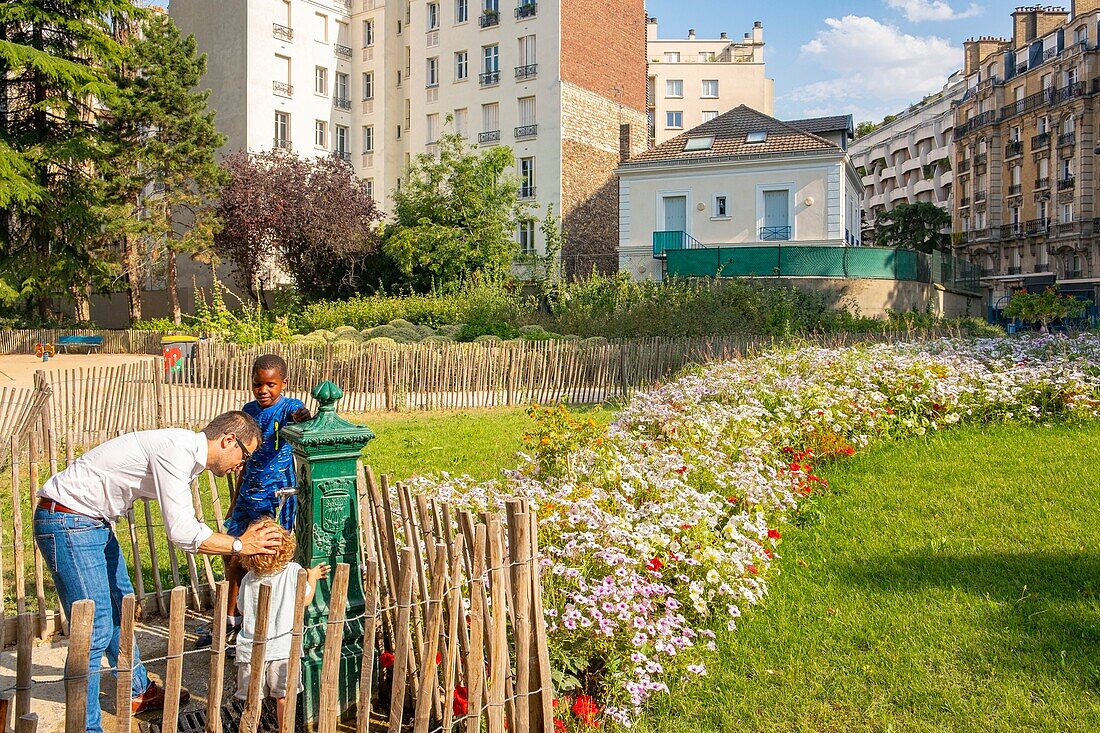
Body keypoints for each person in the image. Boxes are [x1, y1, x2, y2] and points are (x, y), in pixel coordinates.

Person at [33, 411, 283, 732]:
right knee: (92, 629)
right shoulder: (176, 450)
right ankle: (86, 726)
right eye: (244, 455)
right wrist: (240, 546)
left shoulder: (184, 455)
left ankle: (138, 691)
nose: (242, 465)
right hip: (69, 520)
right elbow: (182, 532)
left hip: (91, 522)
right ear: (228, 440)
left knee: (121, 606)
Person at [199, 354, 310, 649]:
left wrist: (302, 417)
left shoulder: (289, 408)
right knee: (232, 555)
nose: (263, 390)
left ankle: (259, 624)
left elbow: (302, 417)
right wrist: (235, 501)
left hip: (275, 498)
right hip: (248, 492)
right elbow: (242, 463)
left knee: (263, 559)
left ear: (283, 384)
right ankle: (231, 619)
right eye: (257, 384)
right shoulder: (248, 413)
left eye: (270, 384)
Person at [234, 517, 328, 729]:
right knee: (284, 697)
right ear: (285, 545)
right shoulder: (294, 571)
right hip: (283, 650)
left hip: (251, 651)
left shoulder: (249, 578)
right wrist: (312, 577)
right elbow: (304, 600)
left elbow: (242, 609)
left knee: (253, 701)